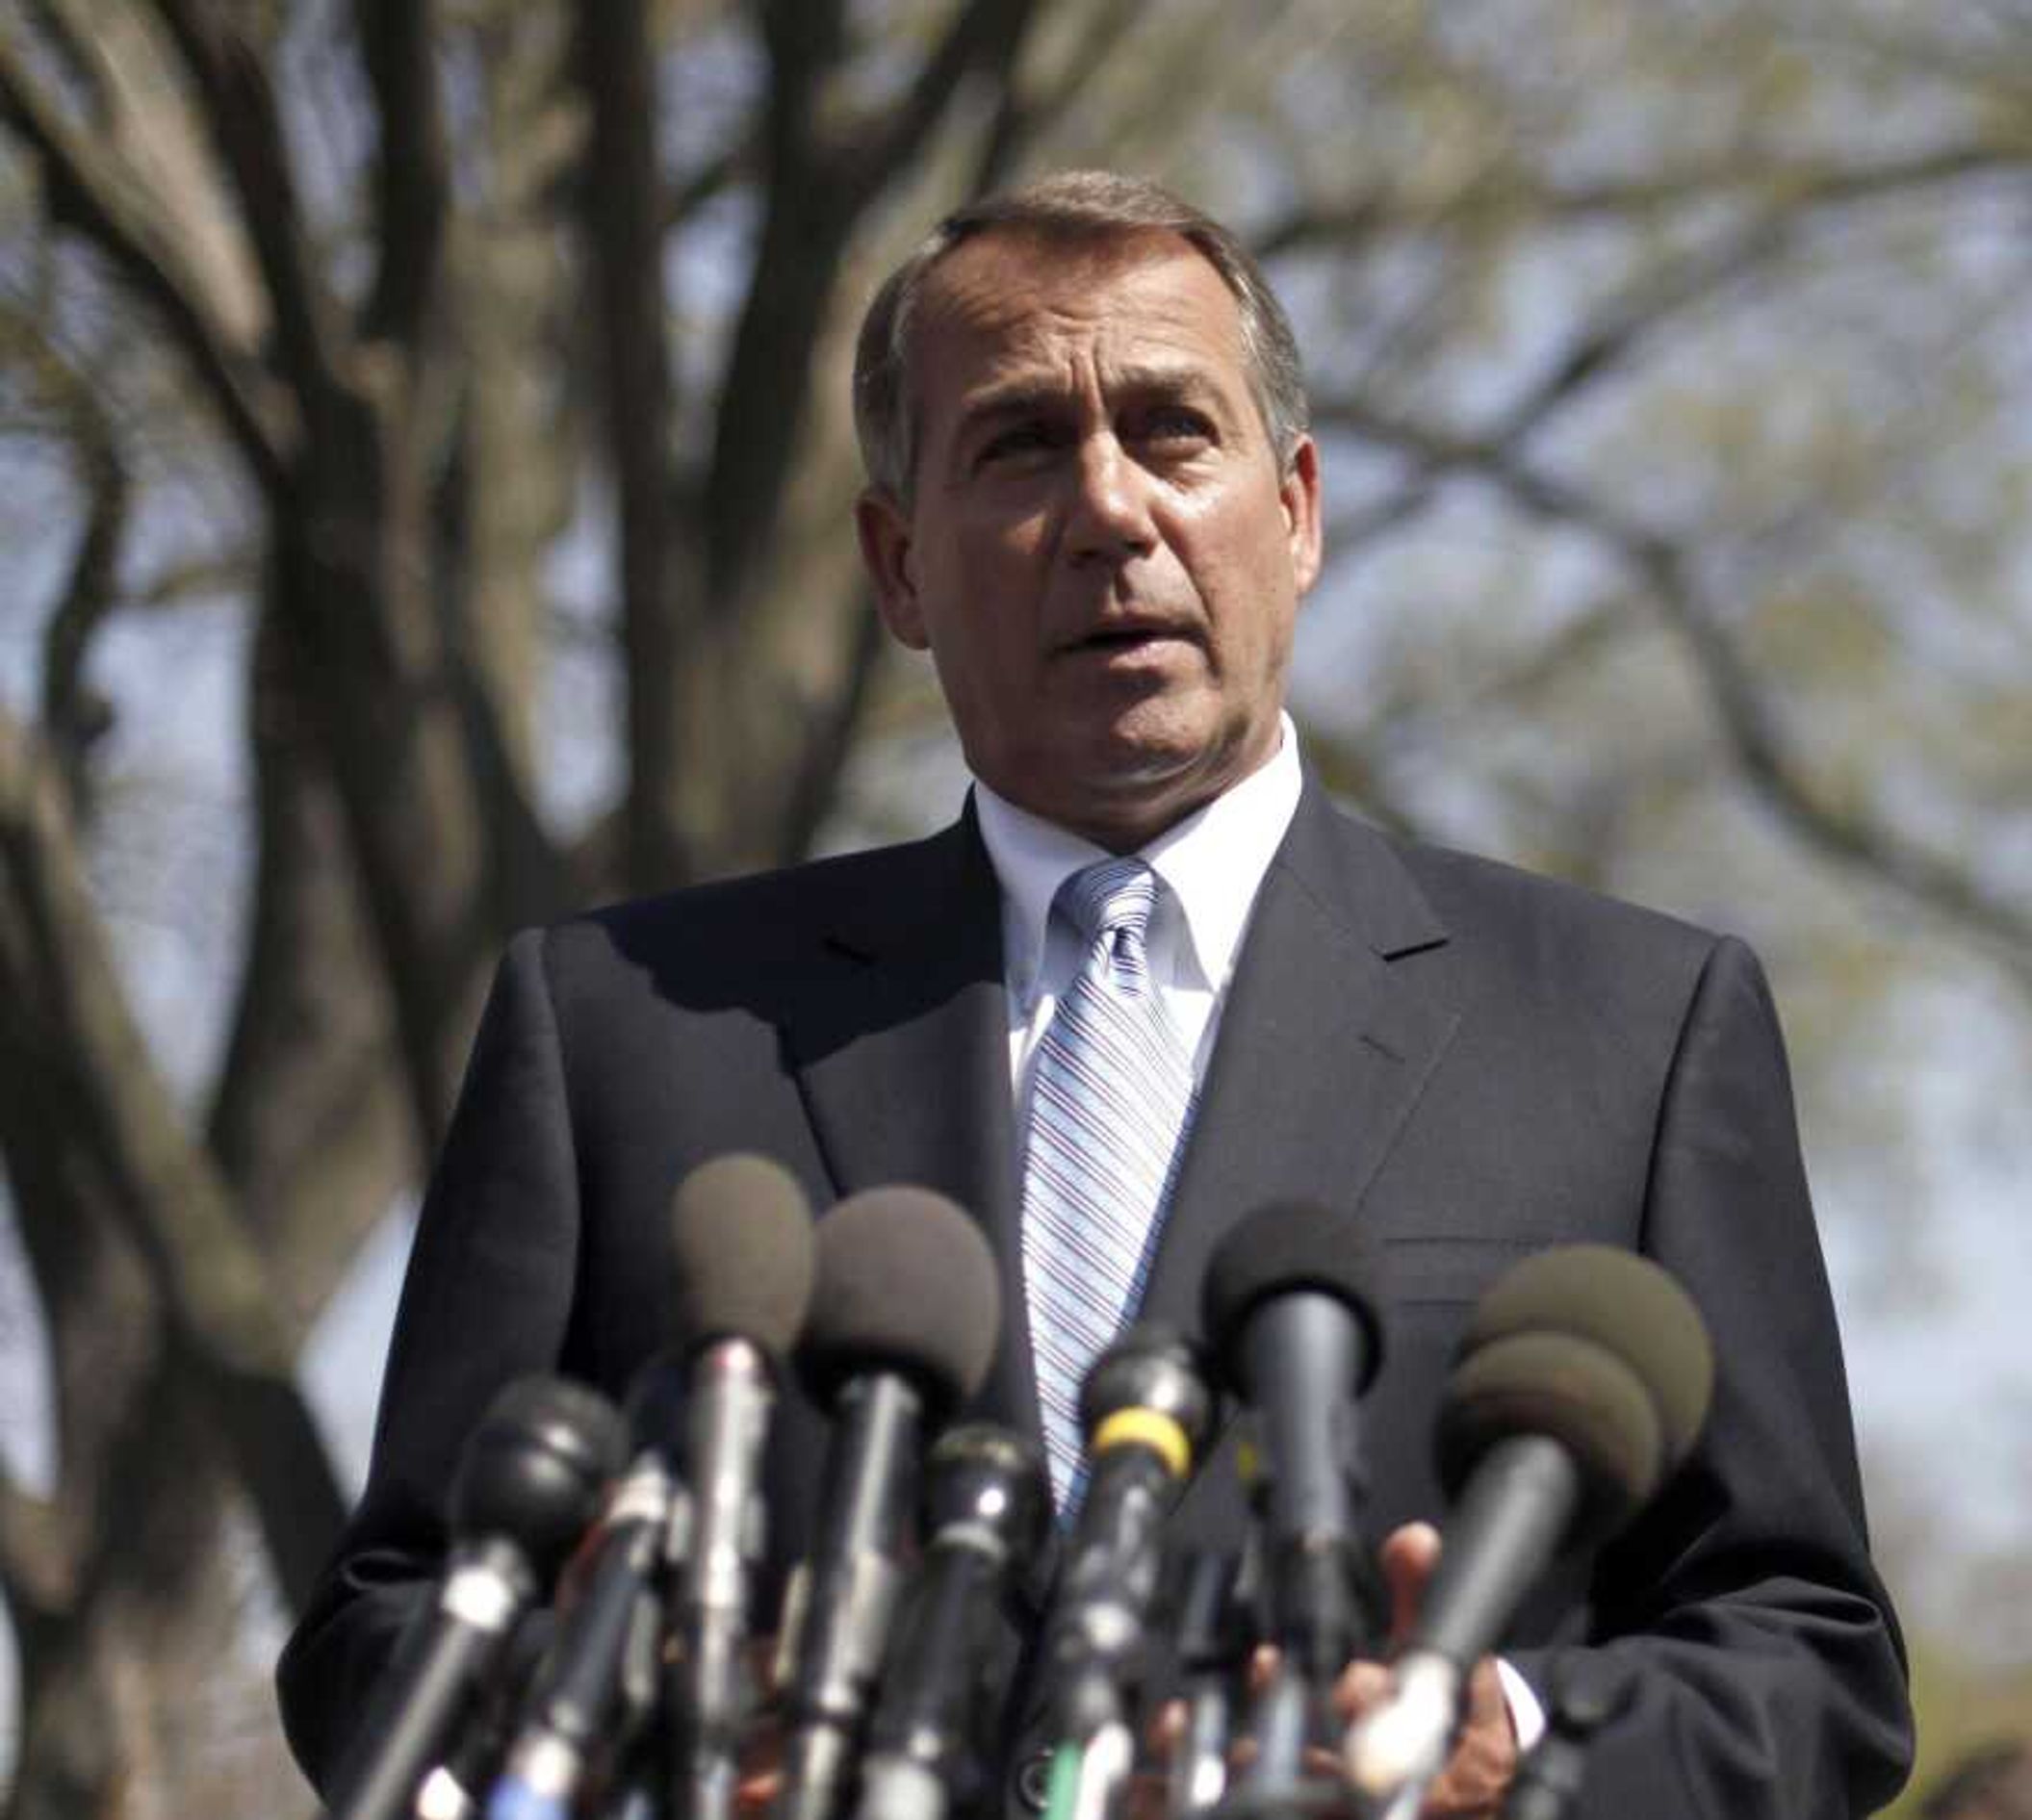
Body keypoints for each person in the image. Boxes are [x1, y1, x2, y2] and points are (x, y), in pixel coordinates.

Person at [279, 169, 1910, 1818]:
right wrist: (638, 1729)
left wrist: (1503, 1738)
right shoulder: (624, 1031)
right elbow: (380, 1637)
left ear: (1299, 513)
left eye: (1172, 431)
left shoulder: (1628, 1030)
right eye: (1017, 447)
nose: (1110, 510)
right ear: (898, 568)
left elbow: (1809, 1664)